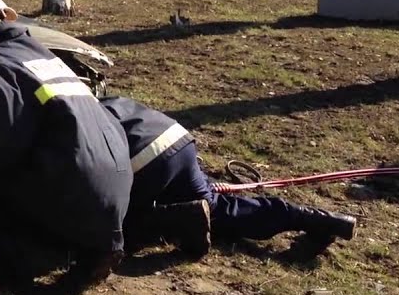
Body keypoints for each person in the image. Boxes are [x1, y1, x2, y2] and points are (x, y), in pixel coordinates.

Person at [0, 0, 132, 294]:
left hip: (73, 185)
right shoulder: (44, 54)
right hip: (119, 185)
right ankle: (95, 248)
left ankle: (8, 262)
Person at [99, 95, 358, 256]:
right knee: (219, 208)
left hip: (144, 160)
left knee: (108, 230)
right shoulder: (84, 99)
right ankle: (316, 219)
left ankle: (180, 220)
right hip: (175, 140)